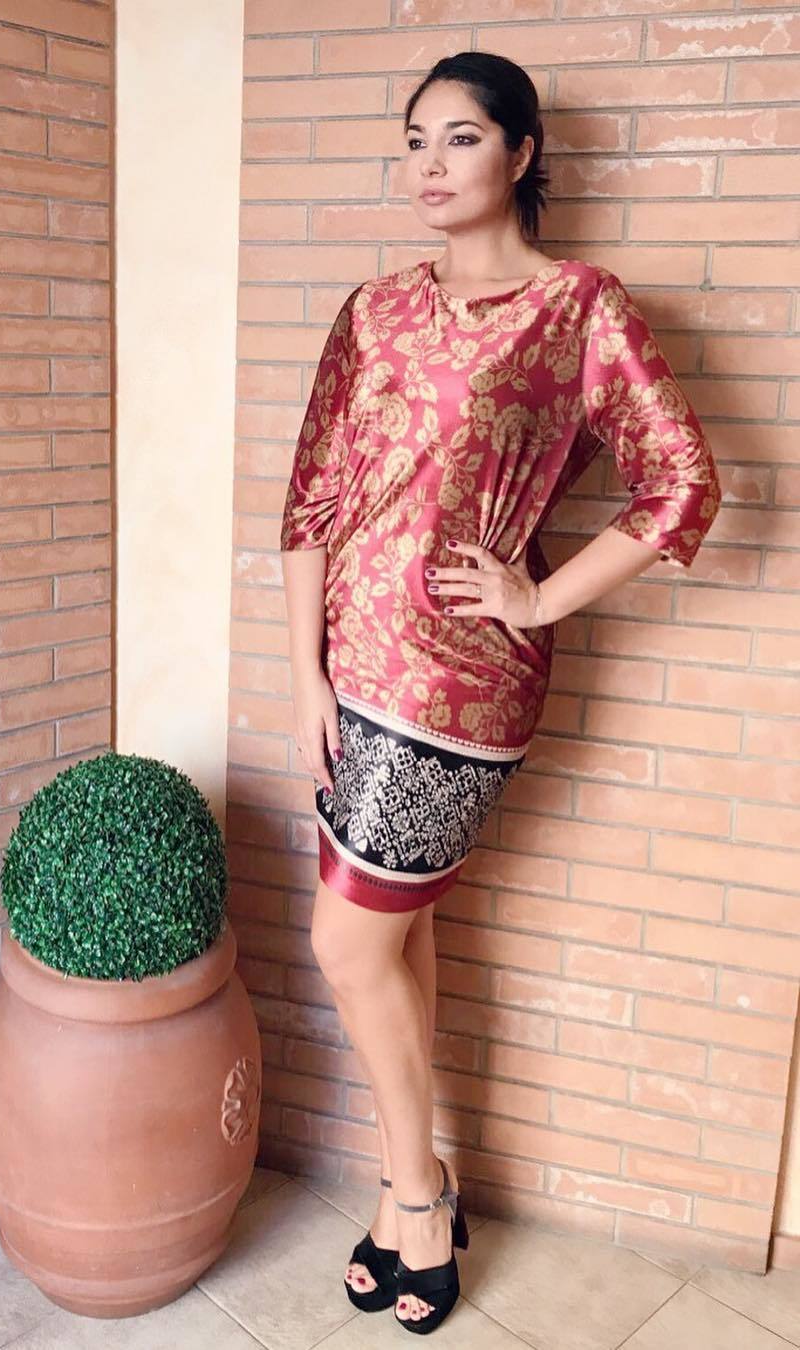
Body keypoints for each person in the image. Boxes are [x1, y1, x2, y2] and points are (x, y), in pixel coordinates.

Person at [278, 51, 722, 1335]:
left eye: (460, 138)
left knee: (345, 945)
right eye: (415, 140)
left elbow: (683, 482)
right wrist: (302, 671)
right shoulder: (372, 310)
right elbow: (311, 497)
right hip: (348, 672)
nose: (430, 164)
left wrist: (537, 598)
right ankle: (414, 1181)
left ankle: (417, 1195)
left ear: (522, 154)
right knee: (394, 935)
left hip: (458, 686)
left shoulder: (578, 308)